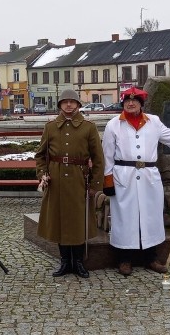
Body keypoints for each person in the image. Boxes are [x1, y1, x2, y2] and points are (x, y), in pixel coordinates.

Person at [102, 87, 170, 276]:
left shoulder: (154, 122)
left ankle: (150, 258)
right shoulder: (113, 125)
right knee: (125, 218)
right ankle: (124, 259)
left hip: (148, 176)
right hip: (124, 176)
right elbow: (107, 155)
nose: (131, 103)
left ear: (141, 104)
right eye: (127, 100)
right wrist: (108, 181)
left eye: (134, 101)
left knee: (149, 217)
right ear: (123, 103)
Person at [35, 89, 104, 278]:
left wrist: (95, 185)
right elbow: (41, 155)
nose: (68, 105)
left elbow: (98, 158)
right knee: (59, 221)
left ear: (78, 105)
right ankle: (65, 261)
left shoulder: (88, 127)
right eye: (64, 102)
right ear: (60, 105)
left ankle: (79, 262)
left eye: (72, 102)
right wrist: (42, 174)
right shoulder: (50, 127)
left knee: (77, 221)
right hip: (56, 180)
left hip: (79, 179)